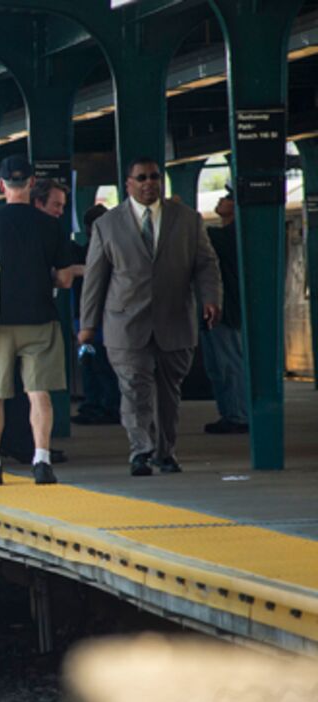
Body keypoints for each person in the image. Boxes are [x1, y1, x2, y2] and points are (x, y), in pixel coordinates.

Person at [79, 157, 221, 476]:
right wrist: (88, 325)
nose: (149, 183)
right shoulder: (108, 225)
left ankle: (165, 452)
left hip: (175, 320)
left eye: (155, 177)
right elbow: (95, 279)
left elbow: (206, 264)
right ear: (128, 184)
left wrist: (211, 299)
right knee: (135, 388)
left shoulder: (187, 220)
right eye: (141, 177)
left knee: (168, 393)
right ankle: (141, 450)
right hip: (125, 323)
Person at [0, 156, 77, 486]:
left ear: (2, 186)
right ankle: (41, 461)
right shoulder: (50, 225)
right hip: (40, 320)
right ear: (31, 184)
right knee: (38, 393)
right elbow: (67, 279)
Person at [200, 189, 249, 434]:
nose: (221, 200)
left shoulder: (231, 234)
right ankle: (230, 411)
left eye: (228, 198)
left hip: (225, 309)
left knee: (228, 363)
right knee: (217, 365)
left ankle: (238, 414)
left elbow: (204, 236)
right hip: (217, 310)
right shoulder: (225, 234)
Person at [71, 204, 121, 425]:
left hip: (91, 318)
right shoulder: (113, 250)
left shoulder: (87, 252)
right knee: (97, 362)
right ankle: (101, 404)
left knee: (95, 362)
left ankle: (102, 404)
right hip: (99, 318)